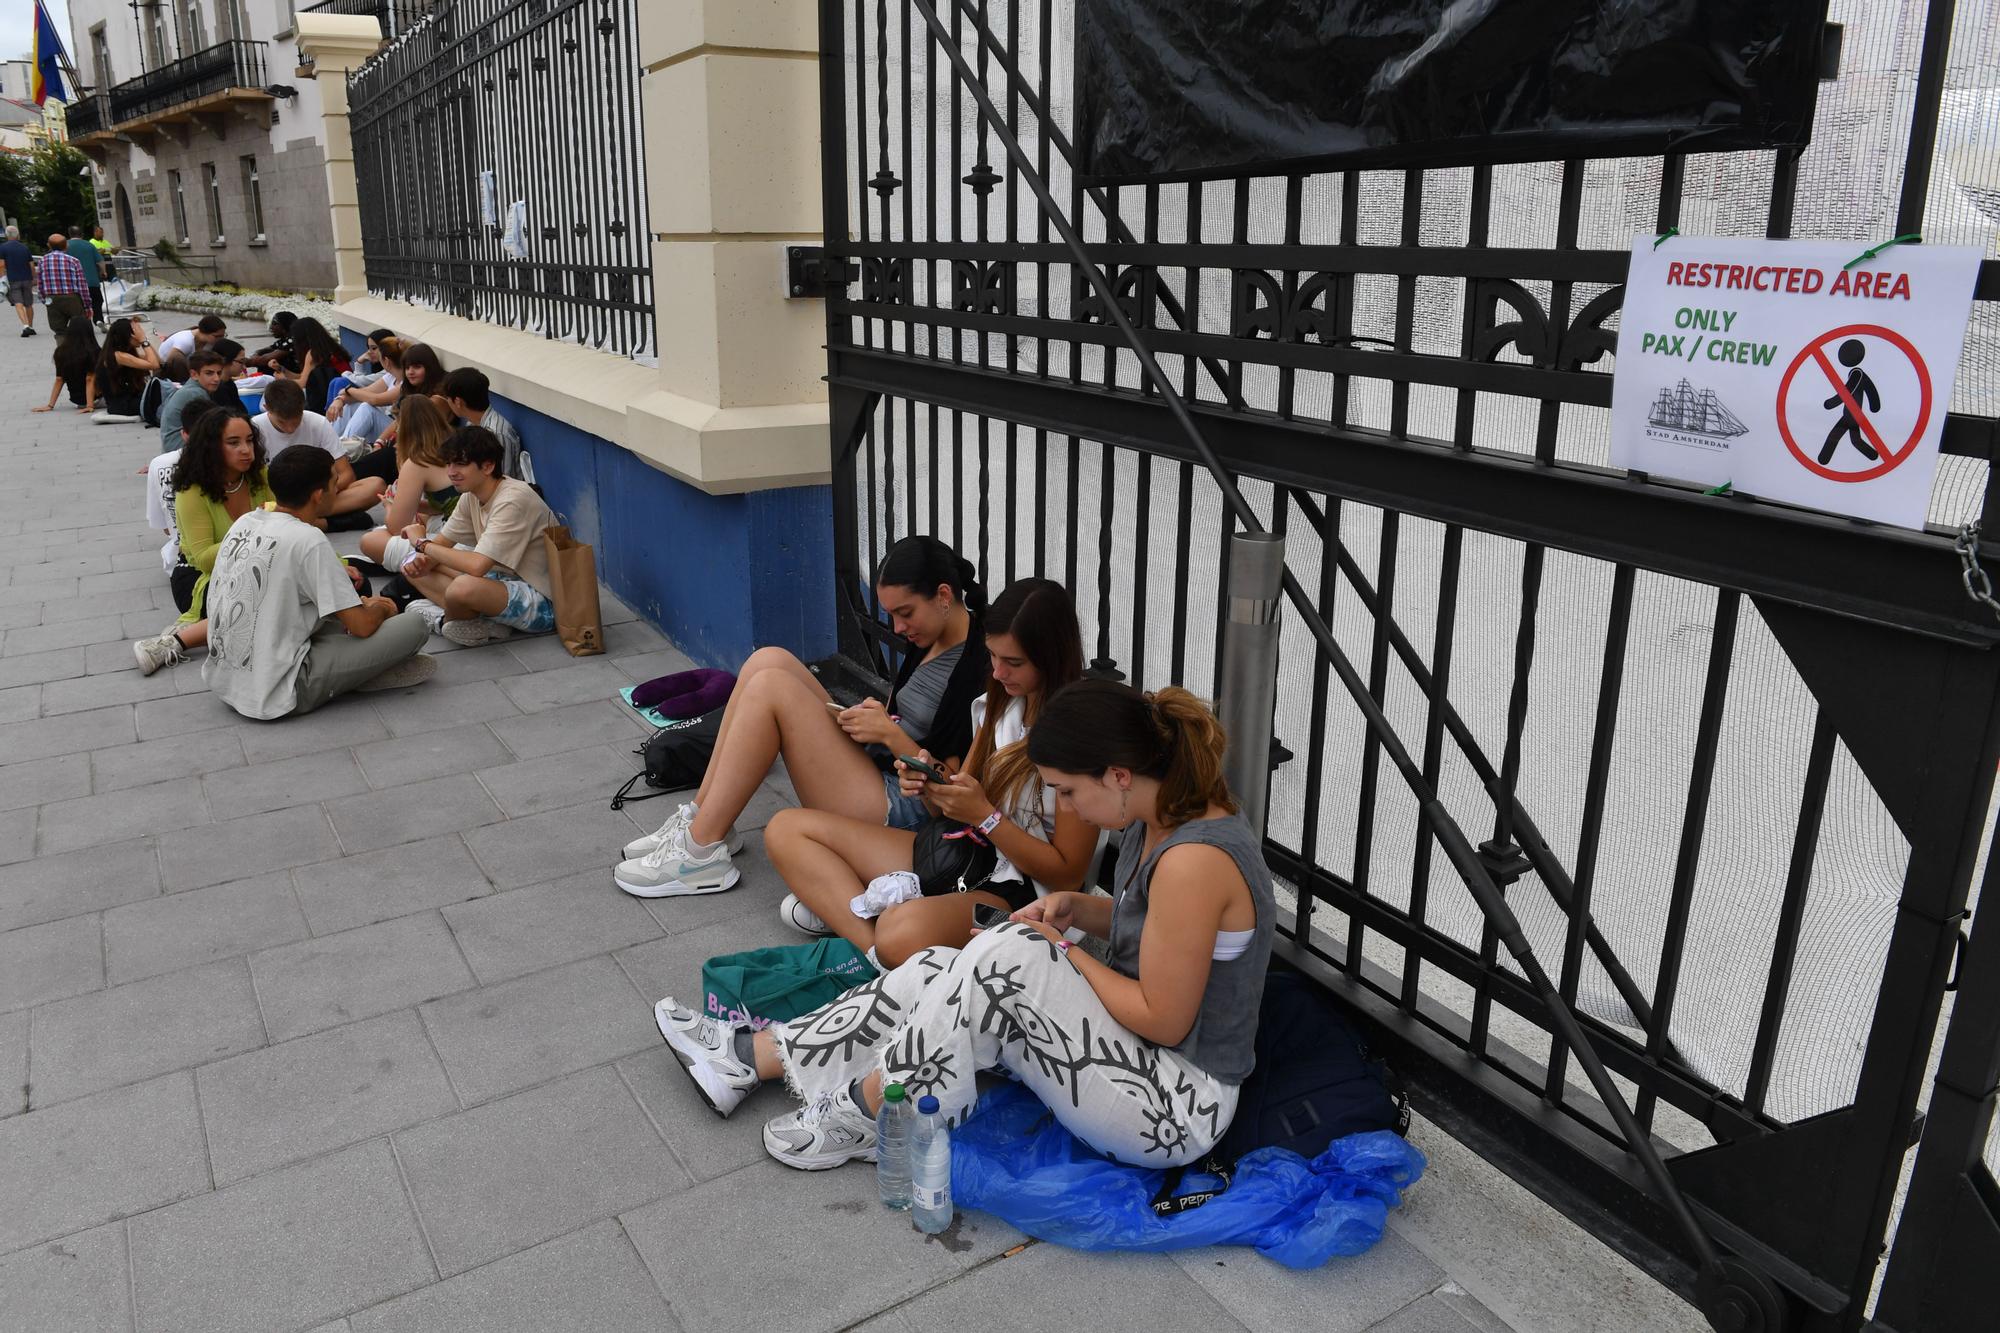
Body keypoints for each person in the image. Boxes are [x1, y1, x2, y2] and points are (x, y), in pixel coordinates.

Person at [651, 680, 1276, 1175]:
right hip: (1140, 1059)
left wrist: (1055, 948)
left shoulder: (1194, 859)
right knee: (939, 964)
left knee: (1008, 957)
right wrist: (1079, 913)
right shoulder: (1154, 813)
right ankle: (751, 1058)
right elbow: (1161, 935)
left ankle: (875, 1112)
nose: (1067, 809)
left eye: (1065, 791)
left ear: (1116, 774)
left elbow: (1163, 1016)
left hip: (1176, 1104)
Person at [613, 535, 990, 899]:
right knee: (769, 659)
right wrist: (879, 720)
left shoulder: (977, 669)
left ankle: (699, 854)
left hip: (905, 810)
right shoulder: (931, 633)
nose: (898, 628)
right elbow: (907, 716)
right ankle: (704, 821)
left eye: (905, 613)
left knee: (771, 690)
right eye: (890, 615)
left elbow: (949, 797)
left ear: (943, 595)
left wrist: (892, 737)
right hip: (882, 766)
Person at [768, 578, 1096, 964]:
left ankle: (866, 916)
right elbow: (953, 806)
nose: (999, 672)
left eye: (1014, 662)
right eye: (992, 656)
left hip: (1021, 895)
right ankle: (873, 954)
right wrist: (927, 782)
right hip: (959, 852)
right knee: (785, 829)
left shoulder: (1080, 737)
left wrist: (986, 818)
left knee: (900, 931)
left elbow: (1068, 877)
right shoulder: (1002, 702)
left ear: (1051, 656)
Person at [202, 447, 435, 718]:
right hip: (278, 690)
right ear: (317, 495)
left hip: (225, 679)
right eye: (335, 482)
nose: (339, 489)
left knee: (344, 616)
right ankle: (358, 676)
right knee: (414, 625)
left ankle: (356, 670)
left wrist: (360, 605)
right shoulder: (308, 539)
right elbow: (361, 626)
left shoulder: (246, 521)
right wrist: (383, 606)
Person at [131, 408, 275, 675]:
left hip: (262, 566)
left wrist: (335, 564)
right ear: (211, 448)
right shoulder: (192, 491)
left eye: (249, 440)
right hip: (201, 577)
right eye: (233, 443)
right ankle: (174, 642)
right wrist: (257, 529)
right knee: (261, 598)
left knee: (349, 580)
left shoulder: (261, 476)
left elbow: (292, 524)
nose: (246, 450)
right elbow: (204, 558)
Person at [393, 425, 556, 648]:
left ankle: (444, 621)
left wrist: (421, 543)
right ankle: (482, 623)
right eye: (448, 463)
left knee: (463, 587)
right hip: (502, 581)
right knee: (413, 567)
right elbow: (441, 545)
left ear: (488, 466)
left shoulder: (512, 499)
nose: (451, 472)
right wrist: (420, 559)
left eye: (460, 464)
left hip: (542, 600)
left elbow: (477, 565)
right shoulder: (472, 494)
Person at [255, 377, 383, 519]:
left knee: (375, 486)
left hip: (315, 497)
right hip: (276, 501)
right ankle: (313, 520)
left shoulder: (318, 423)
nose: (290, 428)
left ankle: (298, 517)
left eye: (296, 421)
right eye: (282, 422)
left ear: (303, 406)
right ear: (267, 409)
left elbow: (346, 474)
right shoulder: (254, 429)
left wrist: (316, 495)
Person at [355, 396, 458, 564]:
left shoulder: (418, 461)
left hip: (459, 540)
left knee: (370, 540)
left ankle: (417, 567)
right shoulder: (453, 444)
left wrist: (390, 506)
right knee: (420, 518)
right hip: (466, 526)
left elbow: (396, 528)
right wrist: (410, 504)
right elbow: (447, 502)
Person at [144, 397, 219, 581]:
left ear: (184, 434)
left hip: (177, 562)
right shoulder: (230, 465)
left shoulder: (159, 464)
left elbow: (165, 528)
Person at [437, 367, 524, 479]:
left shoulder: (497, 433)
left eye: (448, 398)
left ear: (458, 402)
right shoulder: (472, 425)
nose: (447, 402)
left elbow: (501, 480)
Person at [329, 335, 406, 455]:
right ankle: (329, 445)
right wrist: (340, 399)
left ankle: (340, 453)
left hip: (396, 432)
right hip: (386, 426)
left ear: (386, 361)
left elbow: (375, 399)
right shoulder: (390, 376)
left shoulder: (405, 384)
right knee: (351, 406)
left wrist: (349, 389)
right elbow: (366, 392)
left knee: (366, 407)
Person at [92, 316, 161, 422]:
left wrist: (145, 340)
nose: (139, 334)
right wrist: (143, 340)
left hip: (130, 399)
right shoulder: (118, 356)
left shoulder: (125, 353)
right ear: (126, 336)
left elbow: (157, 360)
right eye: (136, 332)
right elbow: (154, 365)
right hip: (122, 405)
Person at [276, 316, 348, 412]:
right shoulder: (330, 346)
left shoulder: (313, 353)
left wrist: (283, 380)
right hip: (344, 387)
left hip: (331, 394)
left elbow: (302, 383)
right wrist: (282, 369)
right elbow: (303, 376)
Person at [32, 316, 99, 414]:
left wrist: (50, 405)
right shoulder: (94, 351)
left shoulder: (60, 352)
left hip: (78, 401)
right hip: (96, 398)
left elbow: (60, 379)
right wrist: (90, 405)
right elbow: (90, 378)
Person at [36, 234, 88, 335]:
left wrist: (45, 300)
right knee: (80, 328)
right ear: (66, 245)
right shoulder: (73, 261)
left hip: (52, 298)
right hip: (72, 298)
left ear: (49, 246)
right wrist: (87, 305)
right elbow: (82, 285)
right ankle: (79, 349)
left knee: (59, 330)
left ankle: (63, 349)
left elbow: (40, 284)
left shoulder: (42, 261)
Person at [158, 314, 227, 382]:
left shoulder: (210, 342)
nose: (220, 339)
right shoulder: (185, 340)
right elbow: (174, 359)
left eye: (222, 336)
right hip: (166, 372)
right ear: (203, 332)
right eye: (217, 336)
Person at [66, 227, 105, 325]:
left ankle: (84, 322)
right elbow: (100, 261)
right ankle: (99, 319)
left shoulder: (65, 245)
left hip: (73, 283)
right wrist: (103, 272)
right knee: (97, 300)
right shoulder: (89, 245)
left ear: (69, 234)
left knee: (79, 303)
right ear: (82, 234)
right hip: (92, 280)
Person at [1, 224, 34, 337]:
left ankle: (25, 326)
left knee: (18, 303)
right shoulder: (24, 247)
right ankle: (31, 326)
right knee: (29, 304)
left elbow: (1, 265)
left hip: (13, 279)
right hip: (27, 279)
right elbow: (31, 265)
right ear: (18, 235)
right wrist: (33, 278)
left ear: (6, 235)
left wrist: (2, 279)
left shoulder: (3, 247)